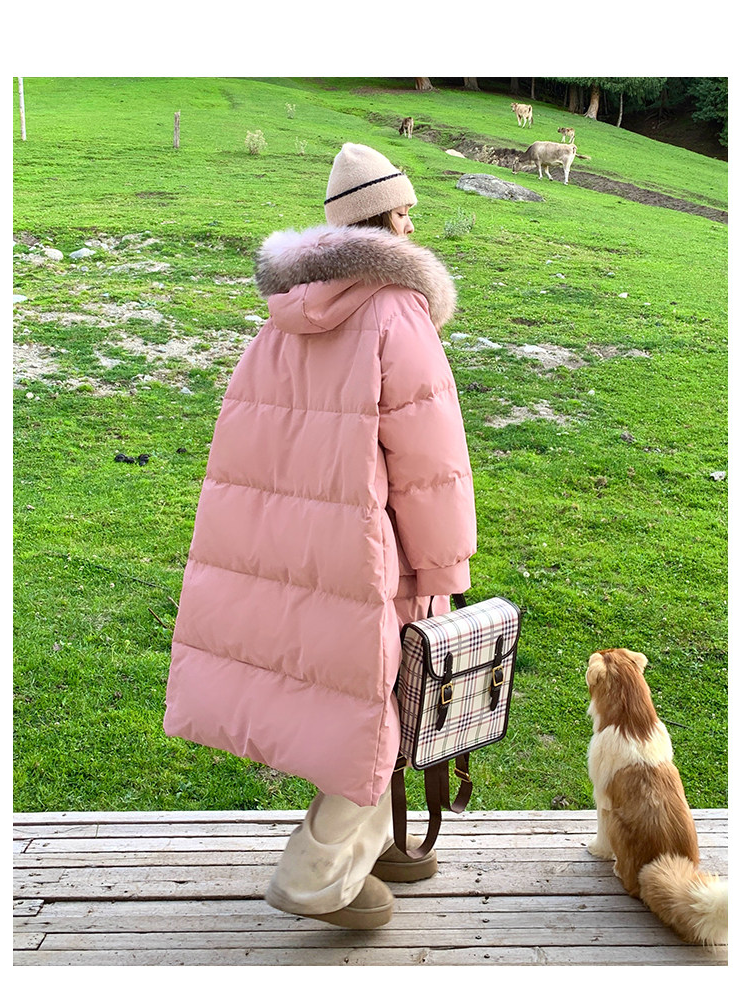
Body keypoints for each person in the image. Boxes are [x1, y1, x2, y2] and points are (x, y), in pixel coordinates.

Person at [164, 142, 477, 928]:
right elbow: (430, 460)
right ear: (384, 221)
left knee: (347, 699)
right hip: (378, 550)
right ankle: (317, 875)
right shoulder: (395, 309)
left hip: (305, 545)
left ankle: (376, 846)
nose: (412, 226)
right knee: (388, 703)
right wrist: (445, 564)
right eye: (404, 212)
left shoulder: (288, 310)